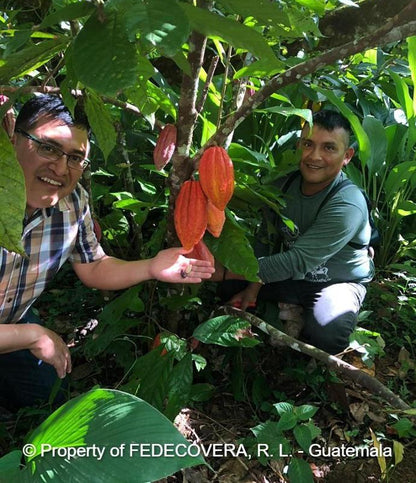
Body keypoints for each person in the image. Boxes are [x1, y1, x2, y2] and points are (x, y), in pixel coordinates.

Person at [0, 94, 214, 410]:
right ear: (14, 139)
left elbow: (95, 266)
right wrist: (33, 336)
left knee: (48, 400)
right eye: (48, 147)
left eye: (75, 157)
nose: (60, 168)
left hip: (11, 320)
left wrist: (153, 266)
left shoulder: (73, 204)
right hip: (19, 329)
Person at [217, 110, 375, 355]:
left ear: (347, 156)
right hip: (293, 277)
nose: (315, 156)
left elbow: (298, 260)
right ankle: (291, 306)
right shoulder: (284, 185)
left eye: (329, 148)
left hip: (336, 281)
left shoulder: (347, 204)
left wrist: (227, 271)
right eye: (308, 144)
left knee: (327, 331)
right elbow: (266, 238)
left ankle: (305, 321)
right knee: (228, 288)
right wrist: (252, 286)